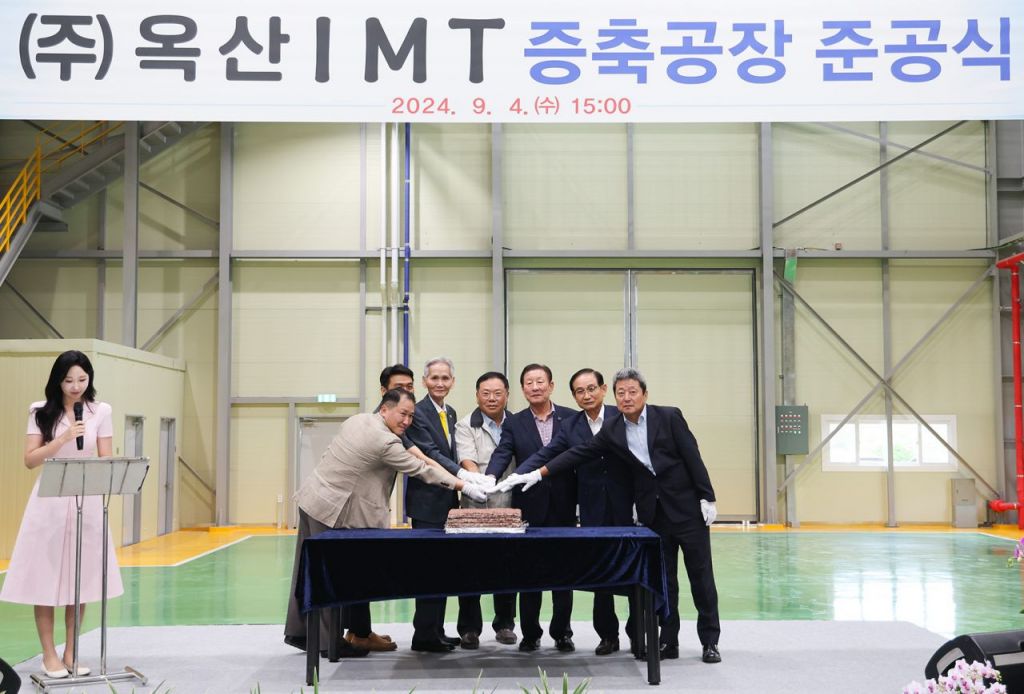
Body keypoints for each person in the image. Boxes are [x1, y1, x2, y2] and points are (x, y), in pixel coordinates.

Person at [500, 367, 722, 664]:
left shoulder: (668, 417)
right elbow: (575, 453)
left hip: (686, 510)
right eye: (622, 393)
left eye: (632, 392)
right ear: (614, 396)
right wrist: (535, 474)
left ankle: (710, 641)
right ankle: (669, 641)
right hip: (653, 515)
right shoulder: (613, 429)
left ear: (644, 393)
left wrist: (707, 496)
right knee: (665, 581)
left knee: (701, 578)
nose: (627, 398)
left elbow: (692, 456)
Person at [283, 389, 490, 657]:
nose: (407, 421)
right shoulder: (385, 442)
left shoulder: (358, 419)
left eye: (411, 416)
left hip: (312, 498)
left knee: (306, 572)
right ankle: (326, 643)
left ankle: (301, 633)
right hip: (332, 511)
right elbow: (421, 469)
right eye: (403, 414)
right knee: (329, 576)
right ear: (384, 409)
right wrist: (464, 485)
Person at [0, 350, 120, 679]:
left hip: (87, 498)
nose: (76, 386)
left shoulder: (101, 411)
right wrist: (63, 438)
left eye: (82, 379)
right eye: (69, 380)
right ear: (58, 381)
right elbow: (30, 459)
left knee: (80, 578)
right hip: (50, 498)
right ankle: (48, 654)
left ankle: (71, 651)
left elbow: (106, 457)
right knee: (46, 577)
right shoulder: (40, 411)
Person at [516, 368, 635, 656]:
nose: (587, 395)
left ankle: (639, 635)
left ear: (603, 389)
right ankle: (607, 635)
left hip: (627, 506)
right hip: (592, 508)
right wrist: (519, 475)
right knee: (601, 575)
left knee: (634, 571)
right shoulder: (570, 426)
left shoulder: (622, 416)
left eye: (591, 388)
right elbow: (549, 454)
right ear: (573, 396)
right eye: (580, 391)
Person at [404, 357, 494, 652]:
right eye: (434, 378)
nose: (440, 383)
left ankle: (436, 631)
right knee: (428, 571)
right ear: (424, 381)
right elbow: (430, 453)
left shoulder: (450, 412)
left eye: (445, 378)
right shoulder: (418, 412)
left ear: (453, 382)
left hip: (447, 503)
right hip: (427, 504)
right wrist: (464, 476)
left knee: (442, 570)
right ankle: (424, 635)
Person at [486, 364, 577, 653]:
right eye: (529, 383)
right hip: (529, 506)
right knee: (528, 573)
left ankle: (562, 633)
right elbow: (503, 452)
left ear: (551, 385)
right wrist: (490, 476)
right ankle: (530, 633)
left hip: (563, 506)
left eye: (540, 381)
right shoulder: (515, 422)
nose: (535, 387)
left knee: (563, 575)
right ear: (523, 389)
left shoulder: (571, 418)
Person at [452, 371, 518, 647]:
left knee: (508, 568)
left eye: (498, 393)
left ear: (507, 395)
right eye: (486, 393)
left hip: (510, 507)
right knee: (471, 568)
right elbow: (466, 459)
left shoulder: (517, 422)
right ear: (477, 395)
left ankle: (504, 625)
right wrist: (480, 480)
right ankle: (469, 628)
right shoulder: (465, 424)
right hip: (475, 504)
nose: (492, 398)